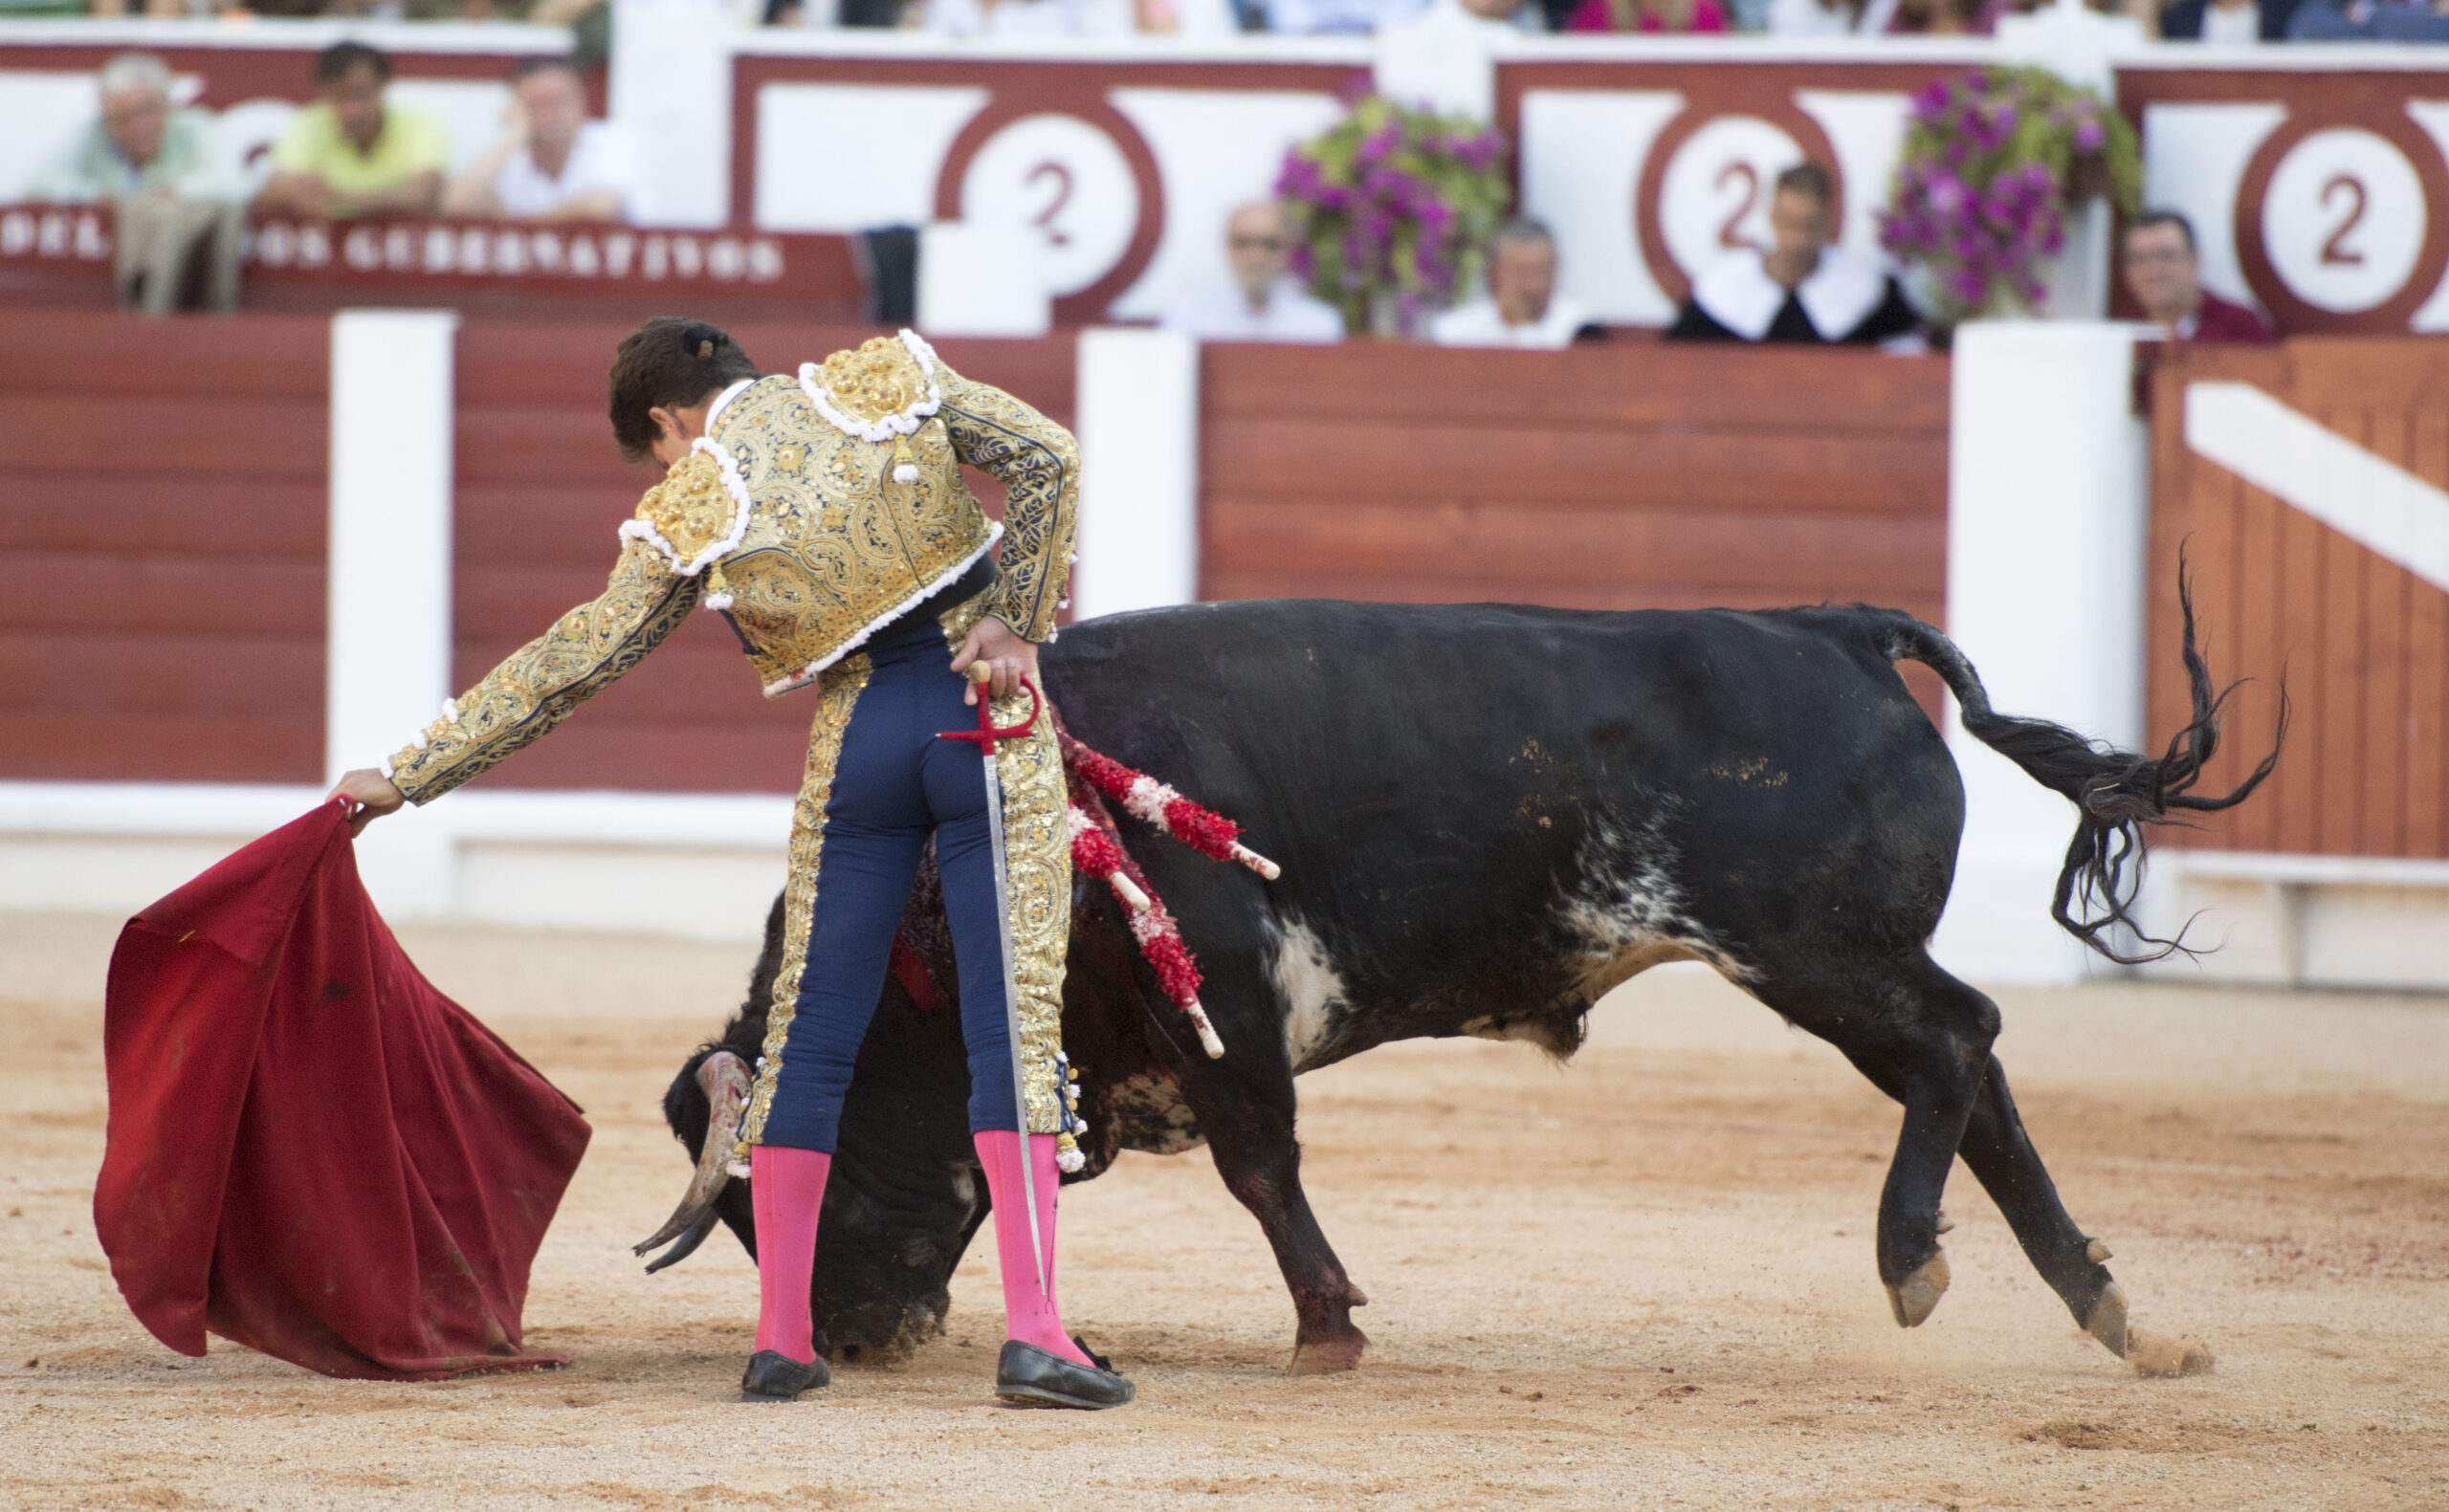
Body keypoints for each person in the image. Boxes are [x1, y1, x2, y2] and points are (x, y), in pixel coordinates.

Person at [327, 318, 1134, 1413]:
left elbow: (572, 660)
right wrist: (1017, 623)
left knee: (807, 1039)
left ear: (665, 417)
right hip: (981, 720)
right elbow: (1049, 456)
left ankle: (781, 1342)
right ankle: (1035, 1337)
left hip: (857, 745)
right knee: (1010, 1032)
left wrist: (410, 772)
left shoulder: (690, 503)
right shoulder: (880, 381)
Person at [29, 52, 245, 314]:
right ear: (107, 117)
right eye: (124, 118)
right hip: (115, 274)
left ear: (168, 106)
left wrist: (176, 192)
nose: (139, 126)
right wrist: (96, 195)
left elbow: (236, 183)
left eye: (147, 111)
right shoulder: (92, 136)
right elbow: (39, 181)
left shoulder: (195, 129)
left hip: (190, 280)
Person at [1666, 163, 1922, 346]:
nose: (1797, 239)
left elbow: (1908, 356)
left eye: (1808, 225)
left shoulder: (1870, 294)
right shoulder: (1720, 295)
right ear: (1772, 216)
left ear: (1827, 220)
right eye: (1788, 222)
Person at [254, 42, 447, 222]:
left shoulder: (419, 125)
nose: (353, 110)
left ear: (383, 87)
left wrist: (340, 198)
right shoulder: (308, 125)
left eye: (361, 94)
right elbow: (273, 191)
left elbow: (424, 193)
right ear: (325, 94)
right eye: (341, 97)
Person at [442, 57, 640, 224]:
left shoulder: (613, 141)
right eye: (537, 104)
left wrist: (518, 232)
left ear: (581, 104)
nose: (551, 115)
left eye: (559, 102)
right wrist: (512, 136)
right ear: (515, 108)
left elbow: (601, 206)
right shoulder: (506, 154)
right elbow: (457, 205)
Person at [1159, 201, 1345, 343]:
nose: (1256, 257)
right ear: (1227, 247)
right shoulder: (1189, 320)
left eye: (1269, 244)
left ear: (1286, 250)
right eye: (1243, 243)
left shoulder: (1319, 324)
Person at [1428, 219, 1598, 350]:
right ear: (1494, 273)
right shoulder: (1456, 333)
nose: (1532, 286)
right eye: (1521, 272)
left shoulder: (1582, 330)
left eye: (1541, 271)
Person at [2119, 210, 2276, 341]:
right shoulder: (2119, 333)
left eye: (2166, 256)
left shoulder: (2242, 326)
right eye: (2139, 259)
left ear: (2195, 260)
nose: (2153, 270)